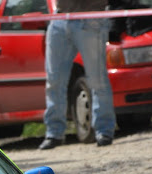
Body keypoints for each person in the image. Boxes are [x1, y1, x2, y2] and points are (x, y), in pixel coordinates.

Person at [38, 0, 115, 149]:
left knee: (97, 79)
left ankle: (104, 130)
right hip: (60, 18)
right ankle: (54, 133)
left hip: (90, 18)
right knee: (54, 81)